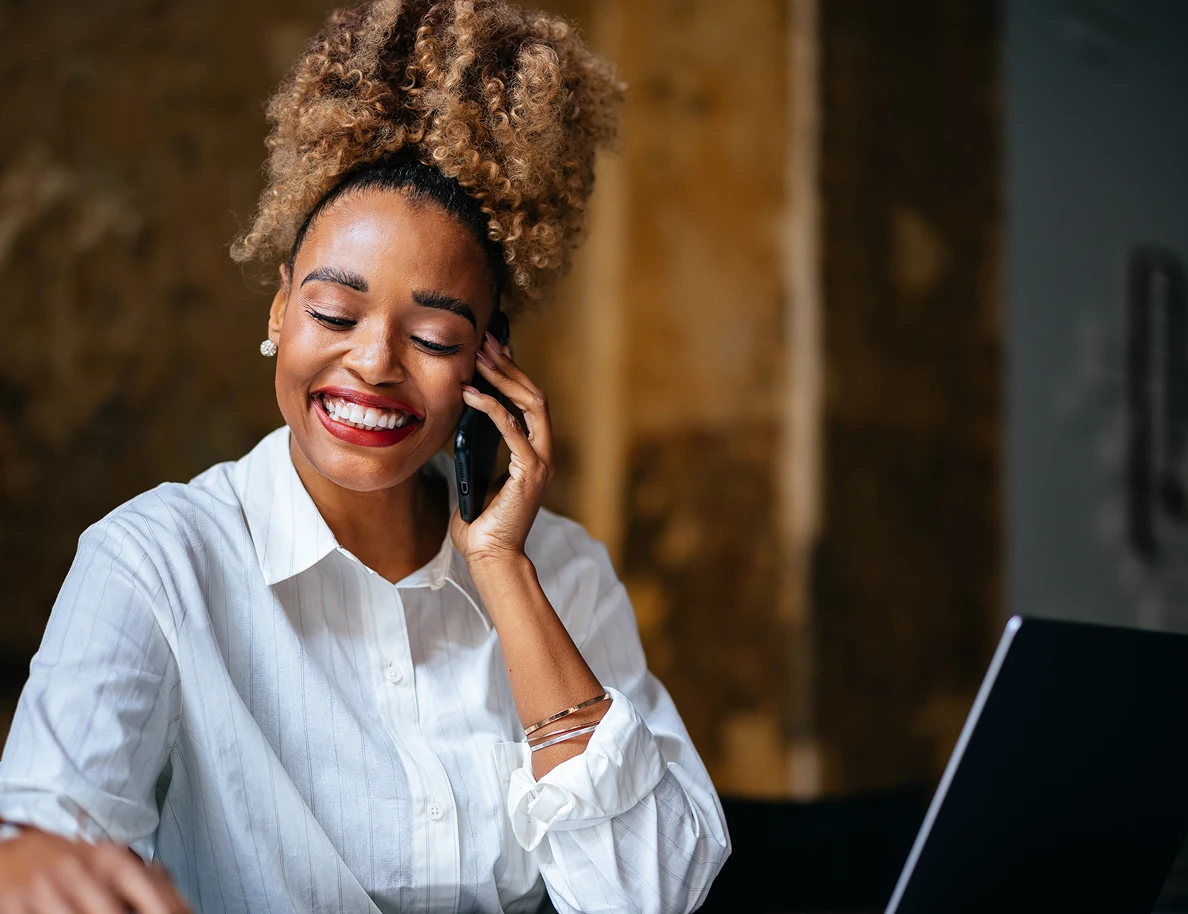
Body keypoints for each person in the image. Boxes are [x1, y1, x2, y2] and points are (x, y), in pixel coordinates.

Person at [0, 1, 731, 912]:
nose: (375, 363)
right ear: (278, 311)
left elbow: (653, 894)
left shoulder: (568, 577)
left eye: (432, 335)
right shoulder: (156, 563)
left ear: (489, 363)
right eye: (335, 316)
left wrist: (500, 569)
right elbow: (40, 847)